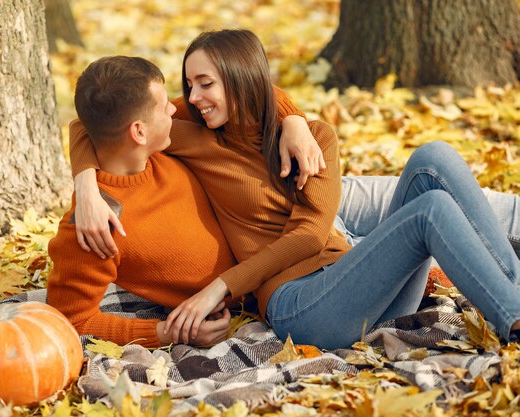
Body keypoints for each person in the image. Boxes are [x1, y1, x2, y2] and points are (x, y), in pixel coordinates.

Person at [71, 29, 520, 350]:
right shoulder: (189, 131)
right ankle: (513, 317)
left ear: (243, 78)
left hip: (356, 285)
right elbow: (95, 121)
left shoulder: (316, 139)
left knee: (435, 158)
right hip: (298, 306)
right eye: (188, 85)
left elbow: (309, 235)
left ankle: (513, 295)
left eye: (206, 83)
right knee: (431, 210)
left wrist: (295, 119)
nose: (193, 98)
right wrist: (86, 185)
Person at [47, 56, 239, 348]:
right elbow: (72, 321)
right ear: (138, 131)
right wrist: (169, 332)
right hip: (278, 285)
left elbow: (246, 92)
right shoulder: (94, 227)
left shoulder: (160, 148)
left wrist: (294, 121)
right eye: (164, 107)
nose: (175, 108)